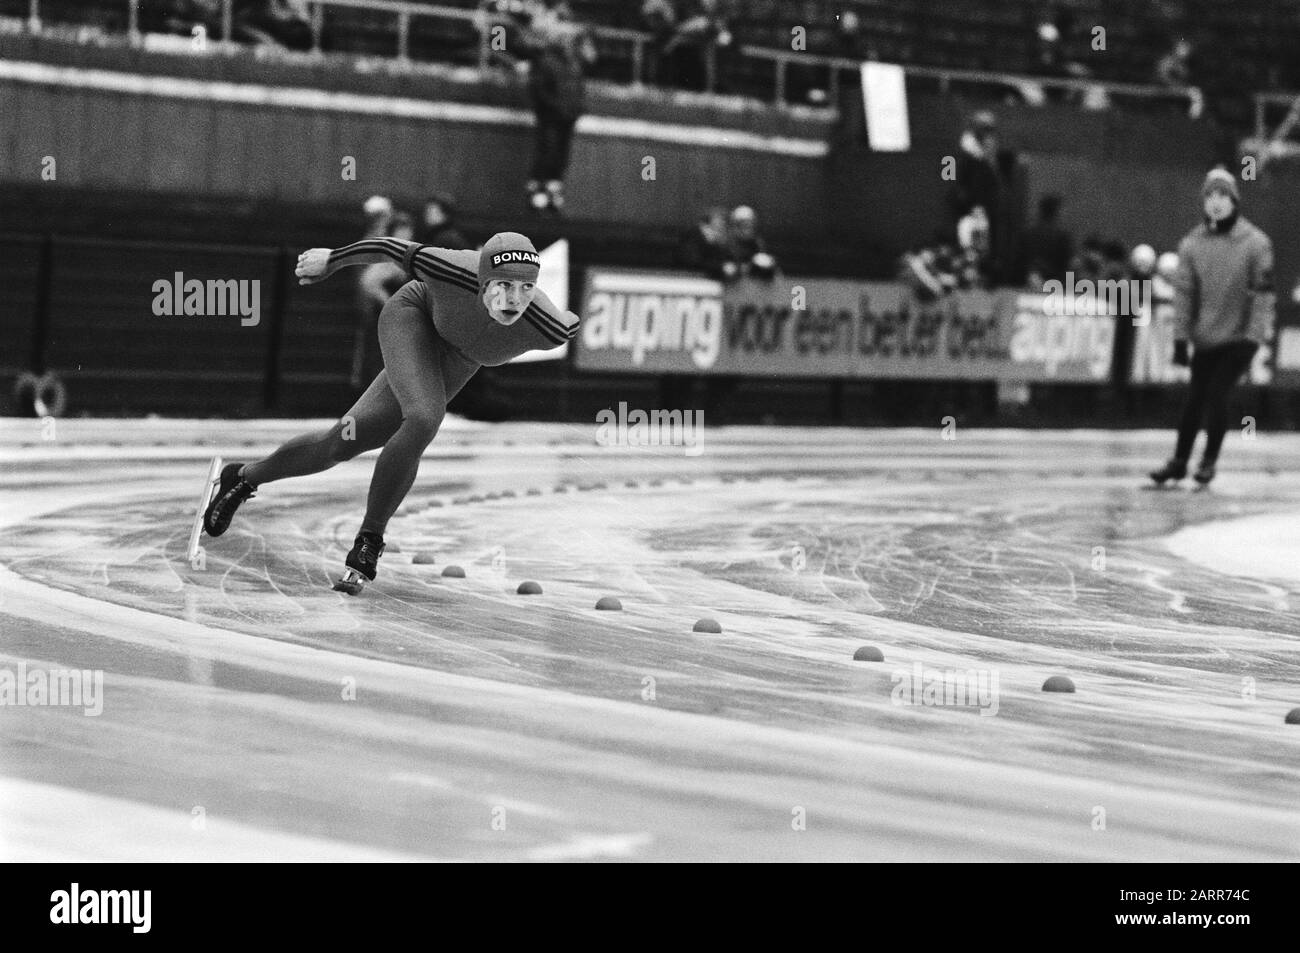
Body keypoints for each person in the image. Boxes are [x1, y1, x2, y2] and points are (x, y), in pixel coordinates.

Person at [201, 231, 579, 592]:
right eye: (504, 285)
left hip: (458, 359)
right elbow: (389, 247)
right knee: (424, 418)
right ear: (481, 280)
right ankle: (370, 537)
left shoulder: (548, 326)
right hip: (412, 318)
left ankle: (244, 477)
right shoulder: (453, 267)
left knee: (343, 441)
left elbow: (569, 324)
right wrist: (332, 260)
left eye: (526, 287)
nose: (515, 299)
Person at [1149, 168, 1274, 487]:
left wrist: (1253, 337)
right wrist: (1180, 339)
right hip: (1206, 338)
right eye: (1210, 195)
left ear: (1234, 200)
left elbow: (1262, 294)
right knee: (1194, 399)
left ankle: (1207, 463)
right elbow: (1184, 294)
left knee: (1216, 395)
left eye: (1222, 195)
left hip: (1238, 339)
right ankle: (1179, 462)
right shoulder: (1192, 244)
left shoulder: (1255, 243)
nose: (1216, 202)